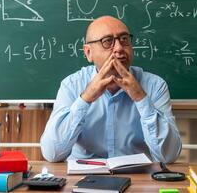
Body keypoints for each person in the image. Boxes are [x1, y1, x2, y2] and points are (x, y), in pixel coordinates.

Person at [40, 16, 182, 163]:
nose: (119, 48)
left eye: (124, 39)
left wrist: (141, 97)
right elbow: (52, 153)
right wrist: (86, 98)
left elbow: (169, 156)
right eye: (108, 41)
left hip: (138, 178)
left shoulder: (155, 85)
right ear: (88, 53)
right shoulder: (71, 85)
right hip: (84, 178)